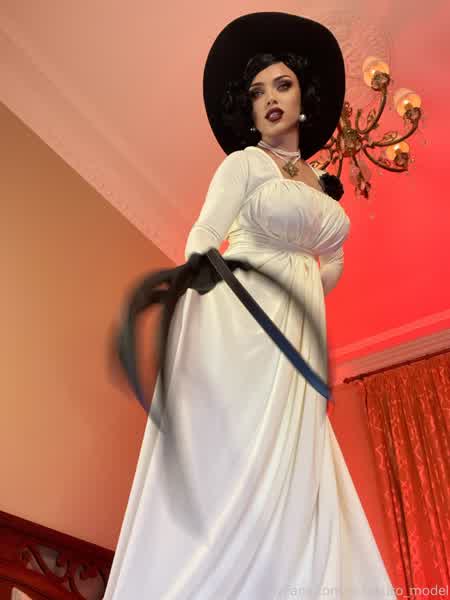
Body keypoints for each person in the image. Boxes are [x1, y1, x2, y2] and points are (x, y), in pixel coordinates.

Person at [104, 12, 394, 599]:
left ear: (304, 98)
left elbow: (331, 261)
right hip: (245, 321)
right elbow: (203, 236)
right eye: (258, 92)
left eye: (282, 85)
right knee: (244, 455)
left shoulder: (321, 182)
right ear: (249, 108)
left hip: (296, 332)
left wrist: (304, 292)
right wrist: (217, 290)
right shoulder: (243, 164)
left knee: (296, 464)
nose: (270, 100)